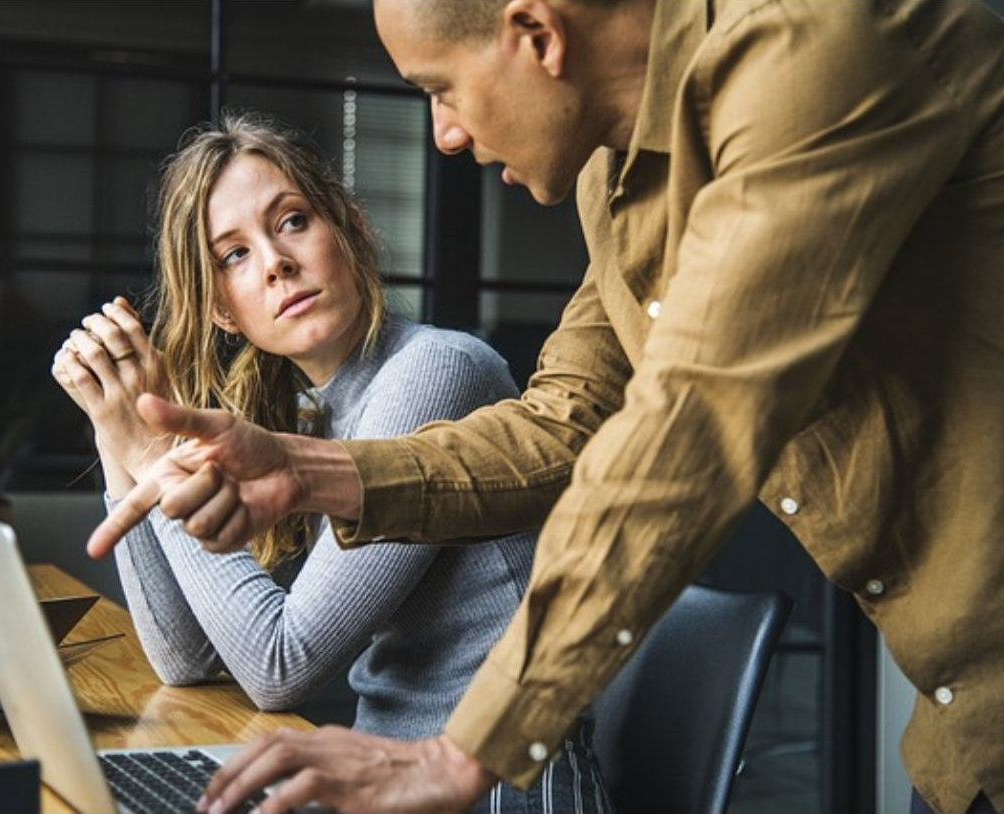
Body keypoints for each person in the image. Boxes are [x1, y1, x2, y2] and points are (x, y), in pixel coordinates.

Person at [91, 1, 1004, 813]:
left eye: (441, 87)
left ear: (535, 35)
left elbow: (687, 429)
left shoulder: (814, 54)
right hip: (964, 732)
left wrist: (464, 754)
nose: (444, 132)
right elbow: (562, 425)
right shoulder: (617, 183)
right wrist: (301, 470)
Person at [52, 112, 610, 814]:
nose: (276, 263)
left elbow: (277, 665)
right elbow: (185, 661)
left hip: (498, 791)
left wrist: (155, 456)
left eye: (290, 222)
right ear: (224, 311)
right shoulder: (311, 412)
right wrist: (118, 439)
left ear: (351, 228)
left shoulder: (436, 372)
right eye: (234, 256)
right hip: (383, 784)